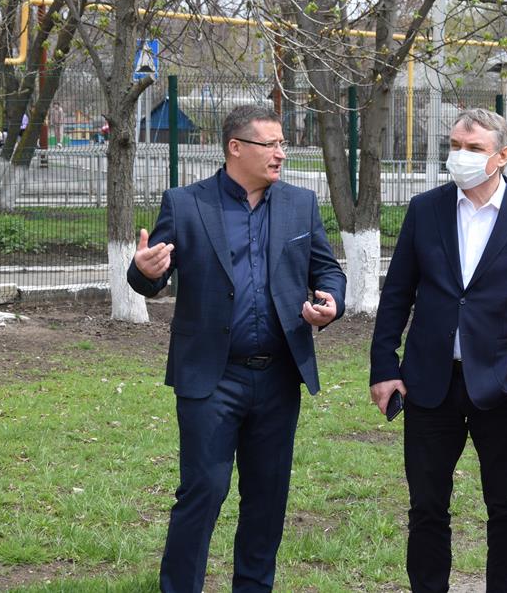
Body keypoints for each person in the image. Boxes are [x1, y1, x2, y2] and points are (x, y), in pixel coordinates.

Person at [127, 104, 346, 592]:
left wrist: (332, 301)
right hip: (211, 377)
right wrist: (143, 271)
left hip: (278, 377)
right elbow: (151, 276)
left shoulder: (300, 204)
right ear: (236, 147)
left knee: (267, 498)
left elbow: (327, 270)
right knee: (203, 490)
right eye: (271, 144)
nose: (281, 154)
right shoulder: (186, 204)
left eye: (283, 144)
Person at [369, 107, 507, 592]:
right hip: (428, 385)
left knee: (506, 507)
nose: (460, 155)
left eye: (473, 148)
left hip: (500, 386)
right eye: (455, 145)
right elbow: (396, 295)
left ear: (503, 155)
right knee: (426, 507)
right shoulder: (425, 209)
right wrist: (384, 366)